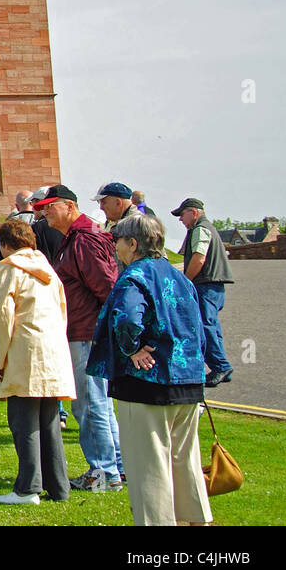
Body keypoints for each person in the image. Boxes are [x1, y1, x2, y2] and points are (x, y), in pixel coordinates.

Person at [88, 212, 213, 526]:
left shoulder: (135, 276)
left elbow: (128, 317)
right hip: (187, 380)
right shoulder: (179, 276)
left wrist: (132, 349)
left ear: (132, 243)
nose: (115, 249)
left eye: (118, 242)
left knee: (149, 464)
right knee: (185, 460)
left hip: (147, 383)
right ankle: (195, 519)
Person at [36, 184, 124, 492]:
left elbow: (108, 288)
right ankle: (114, 468)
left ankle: (102, 471)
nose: (44, 212)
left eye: (49, 206)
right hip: (83, 331)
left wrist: (104, 328)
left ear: (69, 206)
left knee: (89, 405)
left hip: (86, 333)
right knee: (97, 403)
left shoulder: (84, 240)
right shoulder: (75, 238)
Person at [0, 219, 76, 505]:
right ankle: (58, 487)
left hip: (24, 351)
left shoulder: (8, 270)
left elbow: (0, 318)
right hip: (52, 351)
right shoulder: (49, 270)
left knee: (24, 422)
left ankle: (27, 487)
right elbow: (62, 311)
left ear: (5, 244)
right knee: (48, 422)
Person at [173, 198, 235, 387]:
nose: (180, 219)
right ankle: (221, 367)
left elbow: (199, 259)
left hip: (206, 285)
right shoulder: (205, 227)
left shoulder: (200, 229)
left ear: (194, 212)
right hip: (213, 285)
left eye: (182, 214)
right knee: (211, 326)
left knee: (205, 326)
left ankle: (220, 367)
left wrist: (185, 282)